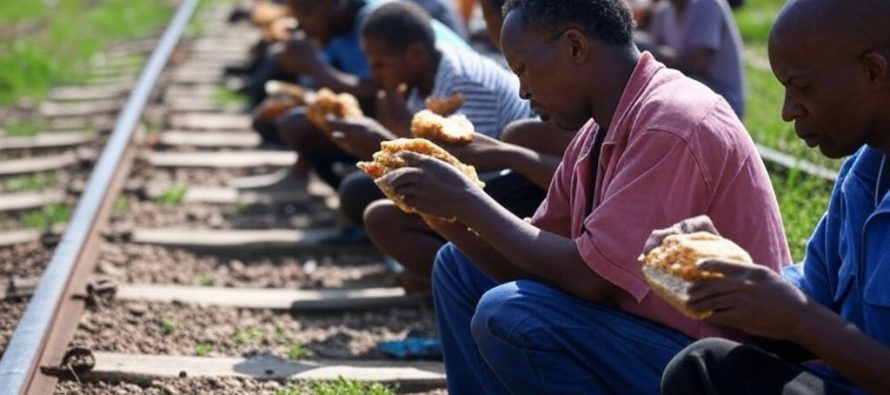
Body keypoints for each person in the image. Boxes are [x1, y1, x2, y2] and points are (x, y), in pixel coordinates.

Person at [376, 0, 791, 393]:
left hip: (711, 361)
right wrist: (443, 216)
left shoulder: (673, 122)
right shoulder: (598, 130)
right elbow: (528, 260)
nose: (522, 91)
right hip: (645, 333)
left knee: (512, 317)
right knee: (457, 264)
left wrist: (468, 200)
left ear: (575, 46)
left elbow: (588, 280)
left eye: (523, 69)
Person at [660, 0, 890, 394]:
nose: (787, 111)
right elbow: (812, 295)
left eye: (802, 87)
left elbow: (805, 316)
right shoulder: (861, 175)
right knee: (704, 365)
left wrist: (799, 319)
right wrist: (727, 276)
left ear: (873, 72)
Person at [636, 0, 746, 118]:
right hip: (695, 94)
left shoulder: (707, 4)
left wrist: (652, 52)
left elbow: (698, 63)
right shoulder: (664, 11)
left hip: (724, 102)